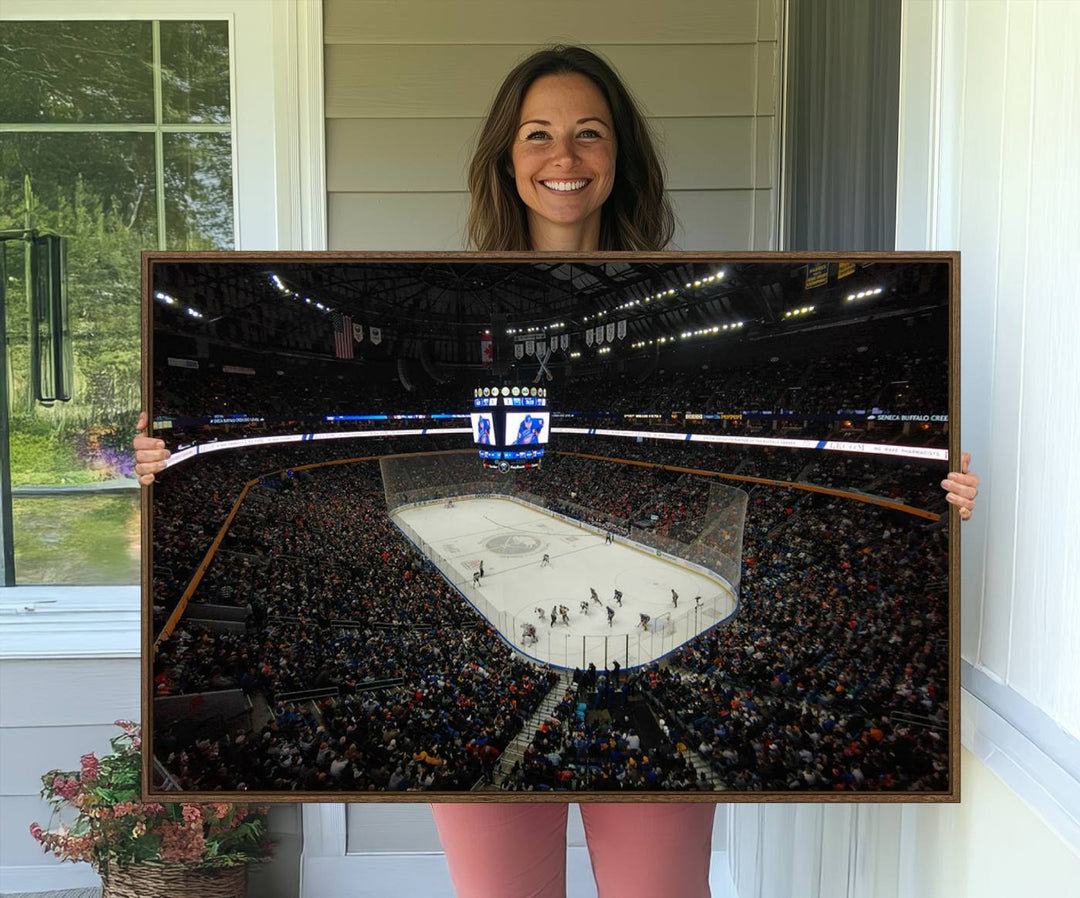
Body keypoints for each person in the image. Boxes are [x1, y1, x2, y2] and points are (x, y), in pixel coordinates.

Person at [133, 43, 981, 898]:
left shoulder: (689, 288)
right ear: (507, 157)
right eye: (538, 134)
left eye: (589, 134)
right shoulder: (445, 296)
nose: (563, 157)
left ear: (621, 157)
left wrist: (939, 487)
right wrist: (162, 455)